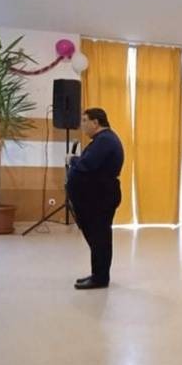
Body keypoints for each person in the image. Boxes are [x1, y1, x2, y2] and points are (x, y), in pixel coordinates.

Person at [66, 108, 124, 289]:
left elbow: (87, 164)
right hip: (96, 197)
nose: (82, 125)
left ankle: (100, 278)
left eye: (85, 120)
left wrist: (72, 160)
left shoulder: (105, 140)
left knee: (99, 238)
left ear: (95, 122)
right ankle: (97, 274)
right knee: (97, 238)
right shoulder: (101, 140)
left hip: (100, 198)